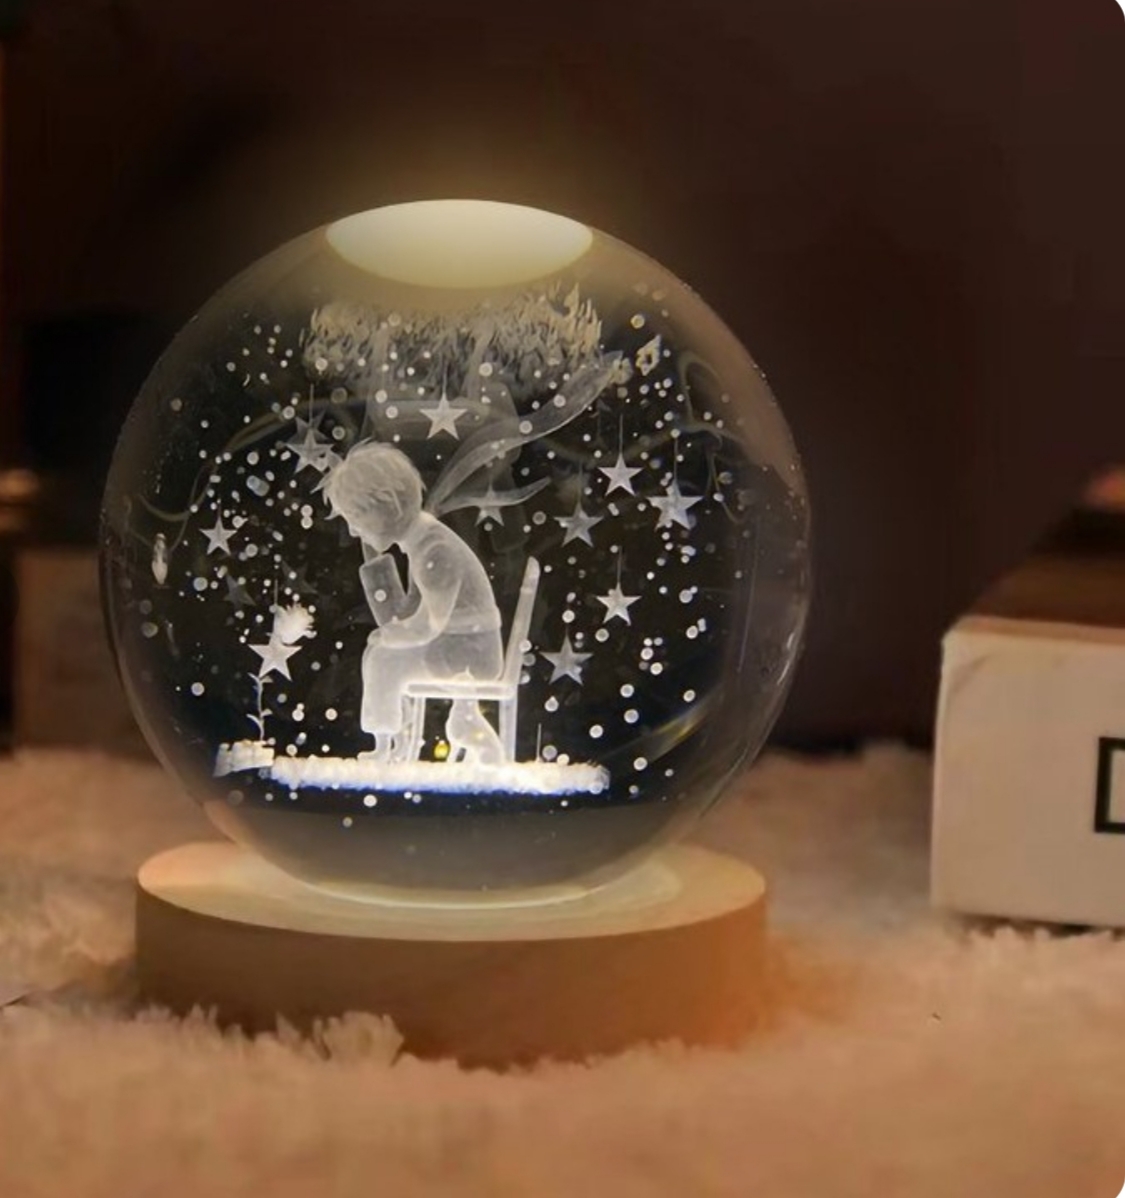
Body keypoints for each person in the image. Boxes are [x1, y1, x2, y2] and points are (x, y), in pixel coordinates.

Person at [322, 441, 505, 765]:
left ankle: (387, 745)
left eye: (356, 516)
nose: (352, 530)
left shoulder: (435, 551)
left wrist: (387, 636)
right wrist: (376, 570)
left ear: (386, 506)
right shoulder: (423, 543)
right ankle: (397, 740)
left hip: (468, 653)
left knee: (383, 660)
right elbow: (404, 613)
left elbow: (427, 626)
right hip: (459, 644)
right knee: (382, 653)